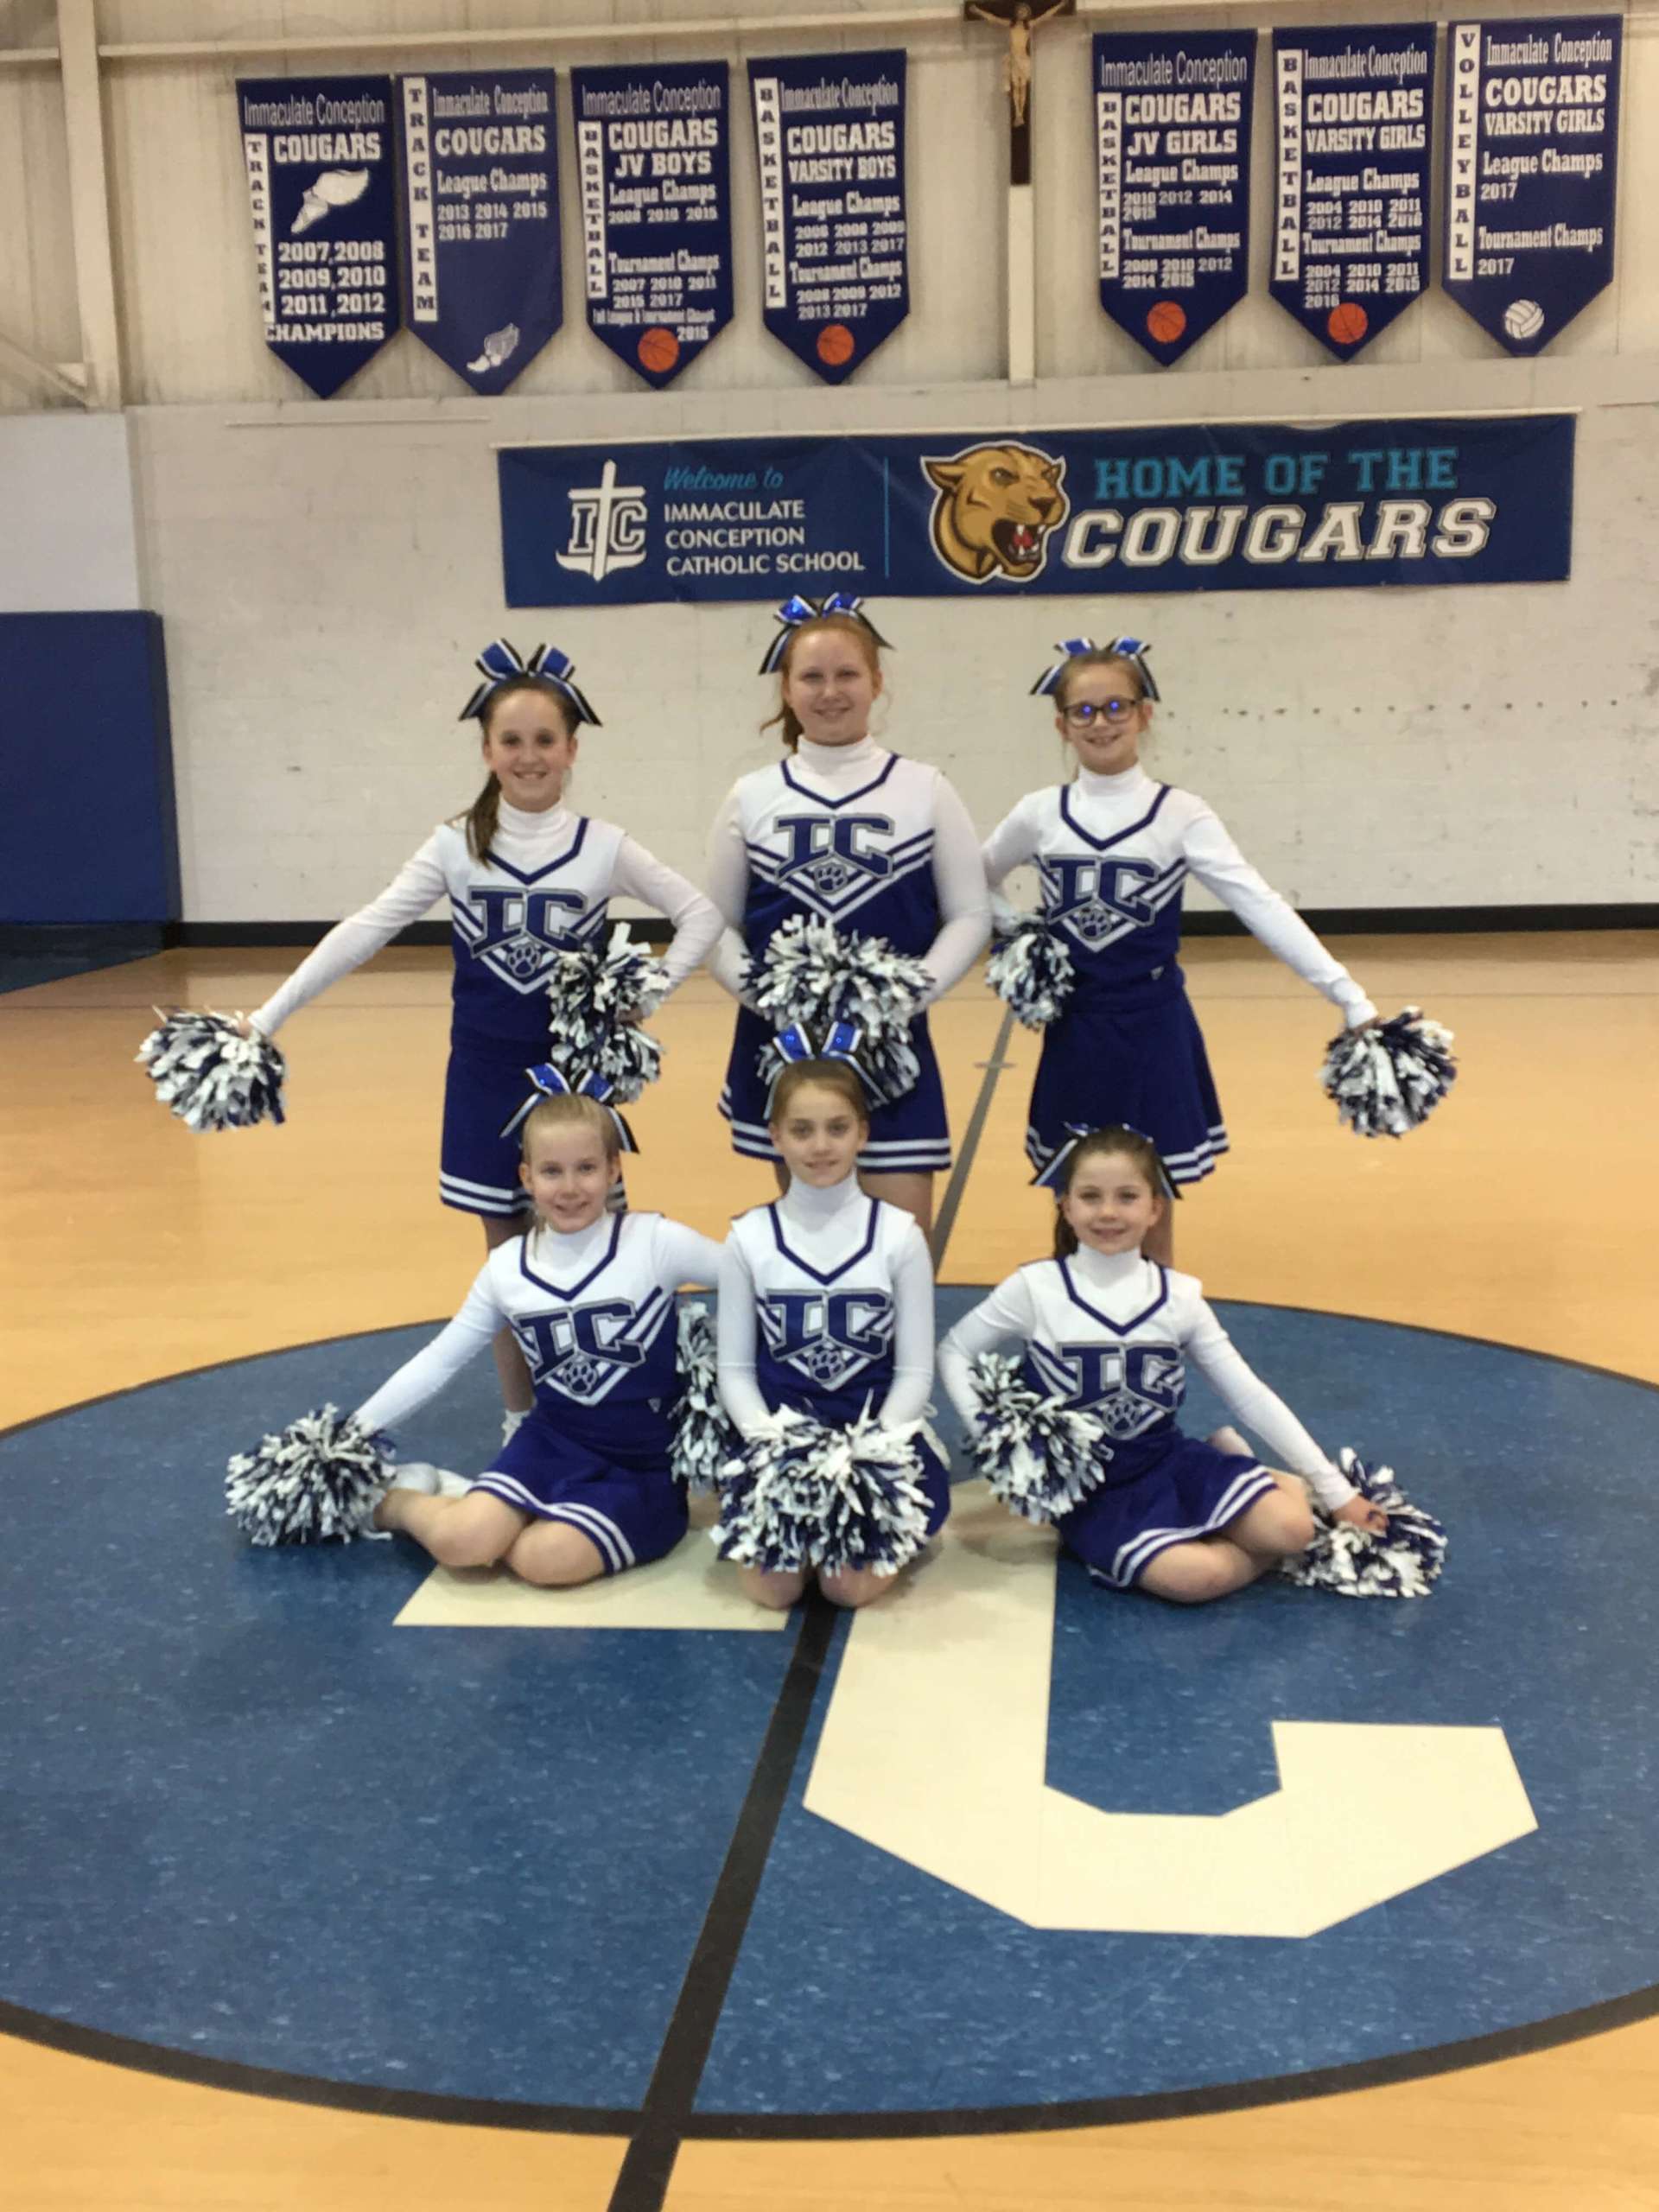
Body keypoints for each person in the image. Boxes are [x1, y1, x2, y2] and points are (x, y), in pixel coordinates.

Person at [244, 640, 721, 1420]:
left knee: (604, 1252)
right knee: (512, 1267)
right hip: (484, 1076)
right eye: (512, 741)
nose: (529, 756)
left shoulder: (601, 847)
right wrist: (268, 1017)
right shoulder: (456, 845)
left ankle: (622, 1415)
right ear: (487, 750)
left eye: (544, 740)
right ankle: (521, 1422)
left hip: (574, 1085)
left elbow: (699, 912)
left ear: (572, 749)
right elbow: (366, 930)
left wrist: (644, 997)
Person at [982, 637, 1377, 1262]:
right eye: (1083, 711)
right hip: (1077, 1028)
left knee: (1149, 1192)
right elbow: (977, 877)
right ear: (1061, 724)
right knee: (1073, 1190)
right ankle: (1074, 1333)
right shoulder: (1040, 813)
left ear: (1145, 714)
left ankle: (1151, 1337)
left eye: (1117, 706)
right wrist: (1021, 933)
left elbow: (1259, 902)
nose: (1101, 722)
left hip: (1153, 1026)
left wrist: (1347, 994)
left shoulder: (1180, 814)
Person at [937, 1124, 1385, 1605]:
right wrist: (993, 1435)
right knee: (1195, 1579)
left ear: (1155, 1208)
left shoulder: (1179, 1297)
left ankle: (1246, 1474)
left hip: (1167, 1460)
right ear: (1065, 1207)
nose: (1108, 1212)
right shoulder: (1036, 1289)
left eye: (1127, 1196)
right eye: (1090, 1196)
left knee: (1294, 1530)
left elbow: (1248, 1394)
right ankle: (1239, 1491)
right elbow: (955, 1350)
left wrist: (1337, 1493)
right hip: (1094, 1495)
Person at [707, 596, 989, 1235]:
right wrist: (766, 997)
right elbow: (716, 922)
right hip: (783, 1043)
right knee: (815, 1243)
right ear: (785, 687)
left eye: (847, 675)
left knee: (899, 1250)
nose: (829, 692)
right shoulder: (751, 796)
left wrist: (907, 996)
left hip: (892, 1044)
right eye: (811, 677)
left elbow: (969, 913)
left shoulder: (926, 789)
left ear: (876, 683)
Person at [367, 1089, 724, 1584]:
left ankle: (507, 1512)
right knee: (462, 1543)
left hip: (643, 1466)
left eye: (586, 1168)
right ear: (526, 1178)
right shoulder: (507, 1268)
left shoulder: (655, 1242)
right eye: (552, 1171)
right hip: (552, 1442)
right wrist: (348, 1435)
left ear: (614, 1169)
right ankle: (395, 1501)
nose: (570, 1187)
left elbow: (753, 1278)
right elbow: (440, 1360)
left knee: (543, 1560)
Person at [715, 1054, 950, 1609]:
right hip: (780, 1443)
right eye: (802, 1130)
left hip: (879, 1445)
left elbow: (916, 1373)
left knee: (847, 1588)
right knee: (773, 1591)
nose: (820, 1146)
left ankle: (887, 1518)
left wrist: (871, 1454)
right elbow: (735, 1371)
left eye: (837, 1128)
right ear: (775, 1136)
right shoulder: (748, 1238)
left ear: (862, 1133)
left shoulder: (898, 1236)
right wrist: (774, 1448)